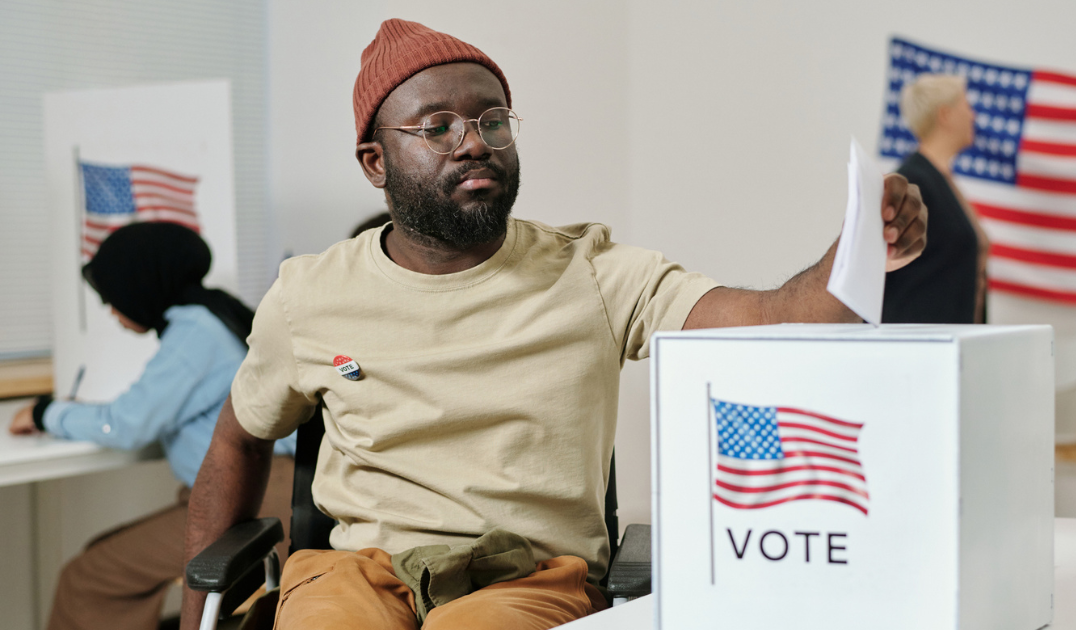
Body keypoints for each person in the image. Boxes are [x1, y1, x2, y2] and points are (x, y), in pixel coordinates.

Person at [180, 19, 928, 630]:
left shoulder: (593, 272)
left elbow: (771, 319)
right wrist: (193, 614)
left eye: (491, 119)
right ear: (376, 162)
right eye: (436, 127)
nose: (473, 141)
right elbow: (238, 440)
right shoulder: (310, 294)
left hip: (525, 580)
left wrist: (860, 251)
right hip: (356, 576)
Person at [8, 222, 297, 630]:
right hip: (256, 490)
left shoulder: (196, 331)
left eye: (111, 297)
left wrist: (44, 414)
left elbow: (127, 426)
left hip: (257, 497)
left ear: (140, 286)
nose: (111, 311)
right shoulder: (213, 313)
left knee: (89, 577)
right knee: (102, 555)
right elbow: (149, 408)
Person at [883, 73, 990, 324]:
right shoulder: (913, 182)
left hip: (953, 343)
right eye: (966, 106)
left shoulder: (941, 180)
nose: (973, 115)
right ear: (945, 115)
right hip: (922, 349)